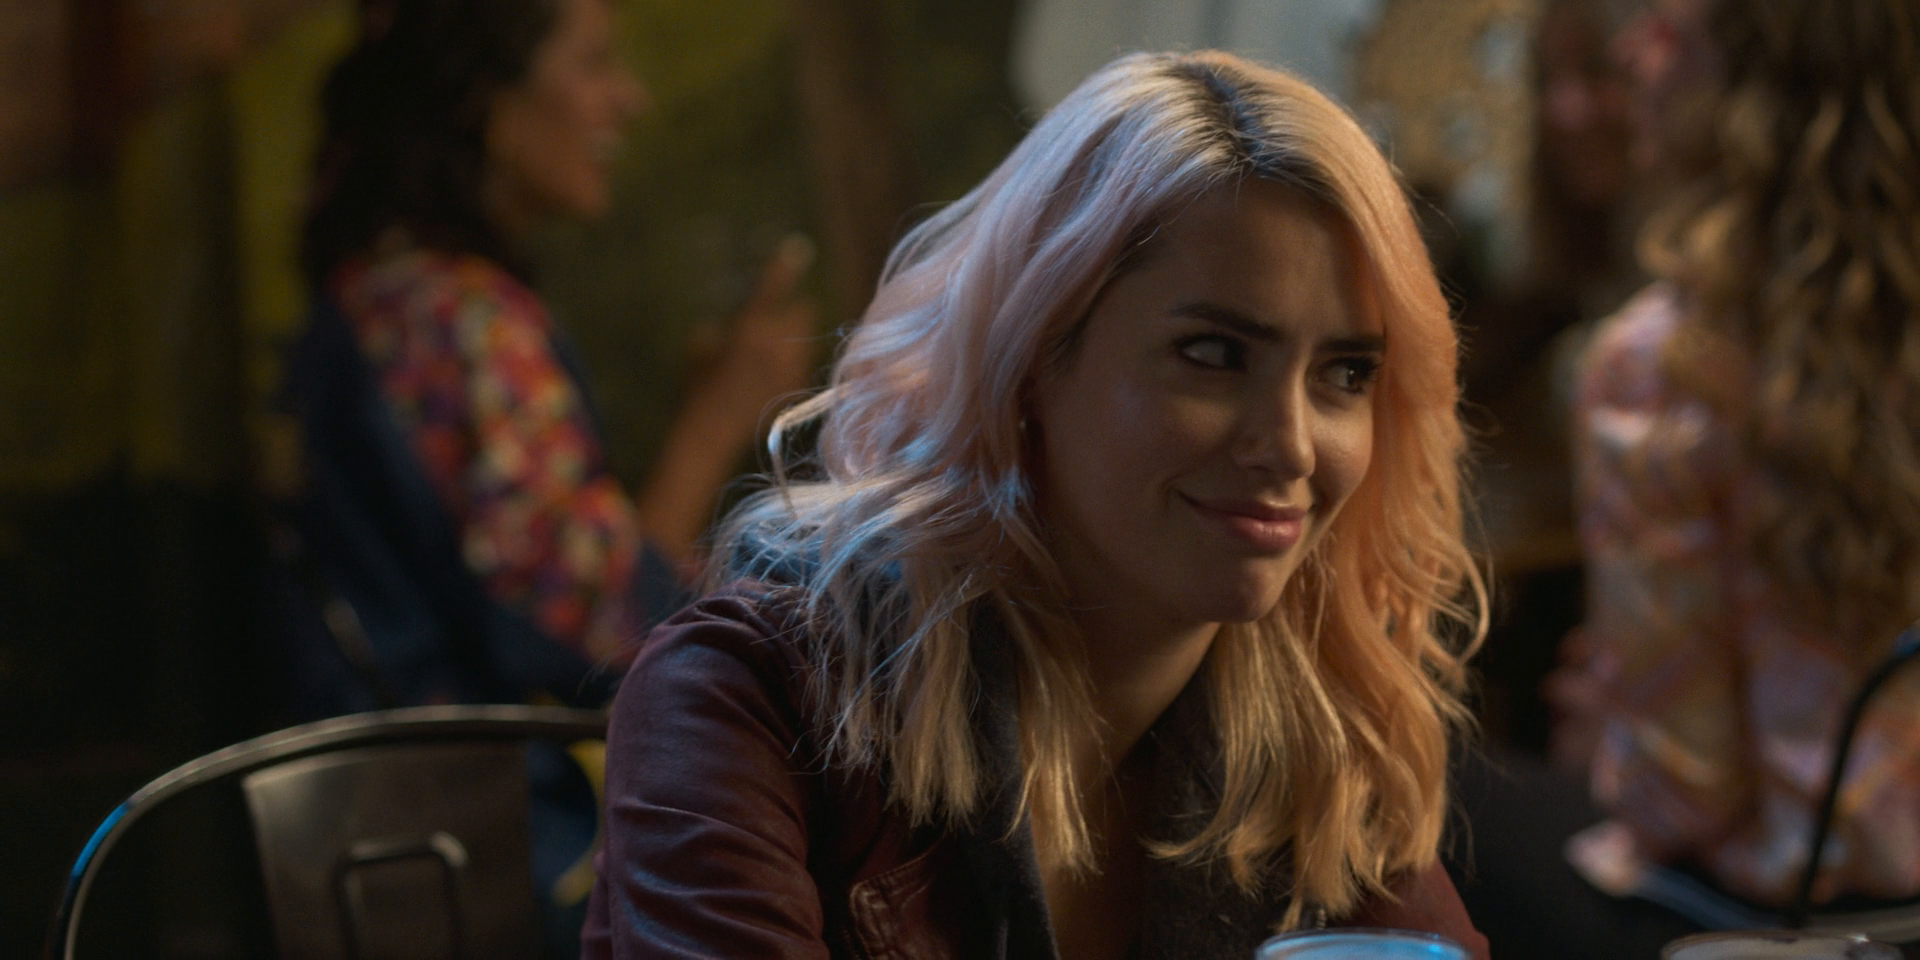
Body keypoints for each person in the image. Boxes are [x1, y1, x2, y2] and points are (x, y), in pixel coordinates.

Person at [583, 50, 1491, 958]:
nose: (1292, 445)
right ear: (1031, 360)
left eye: (1346, 374)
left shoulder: (1322, 747)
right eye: (1215, 355)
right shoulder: (746, 696)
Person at [279, 0, 813, 949]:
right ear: (488, 99)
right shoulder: (462, 324)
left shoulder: (383, 298)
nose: (630, 98)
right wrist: (717, 419)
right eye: (595, 63)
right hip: (494, 870)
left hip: (394, 860)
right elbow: (610, 627)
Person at [1454, 0, 1920, 953]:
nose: (1634, 51)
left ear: (1758, 89)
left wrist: (1609, 740)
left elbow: (1683, 797)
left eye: (1670, 27)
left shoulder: (1660, 366)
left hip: (1772, 928)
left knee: (1430, 796)